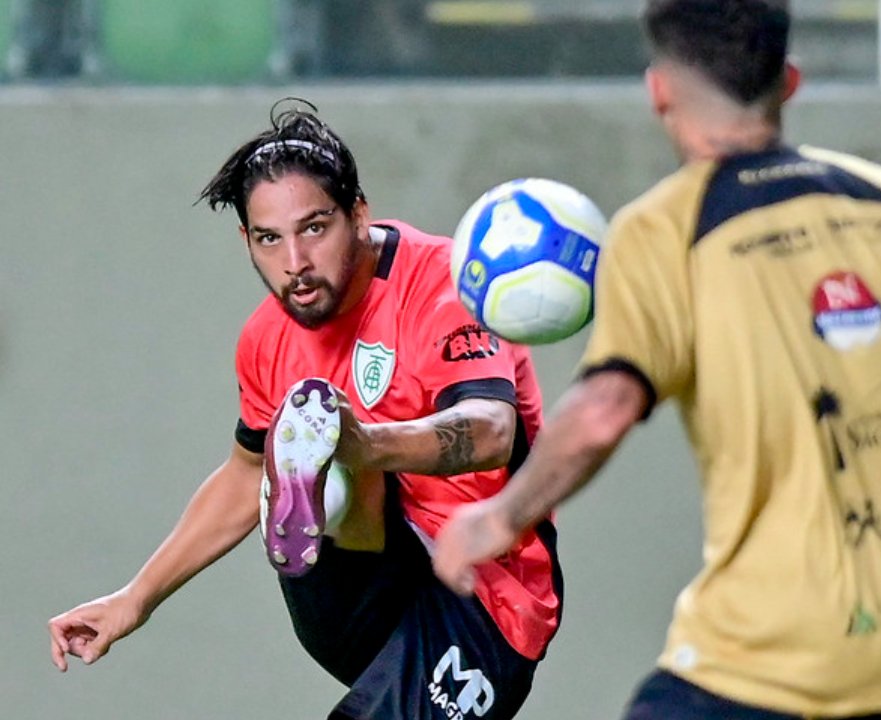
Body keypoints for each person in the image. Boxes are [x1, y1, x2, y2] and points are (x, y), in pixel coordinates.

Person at [432, 1, 881, 718]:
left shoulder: (664, 230)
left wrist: (500, 517)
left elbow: (603, 412)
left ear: (659, 91)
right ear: (790, 81)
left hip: (770, 660)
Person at [47, 101, 563, 720]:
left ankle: (338, 473)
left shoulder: (444, 285)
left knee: (336, 445)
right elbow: (244, 474)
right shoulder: (266, 338)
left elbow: (491, 431)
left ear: (358, 213)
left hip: (482, 598)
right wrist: (136, 598)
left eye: (315, 227)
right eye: (270, 238)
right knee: (296, 448)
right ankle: (331, 493)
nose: (294, 261)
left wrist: (363, 443)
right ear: (248, 240)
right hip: (358, 593)